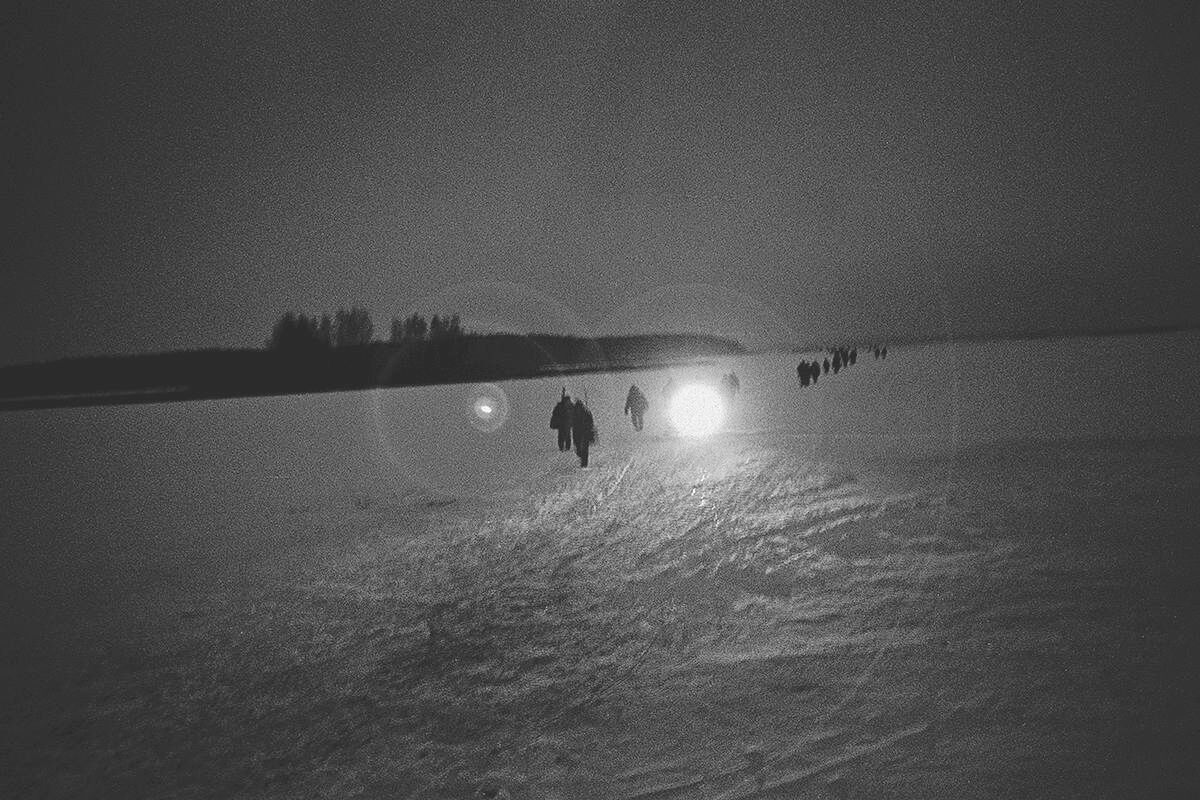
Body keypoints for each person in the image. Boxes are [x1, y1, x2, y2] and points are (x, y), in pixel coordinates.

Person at [571, 398, 596, 467]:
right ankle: (581, 456)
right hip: (577, 432)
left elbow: (591, 421)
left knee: (585, 448)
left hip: (585, 432)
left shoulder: (586, 412)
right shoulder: (574, 413)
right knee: (578, 447)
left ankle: (584, 463)